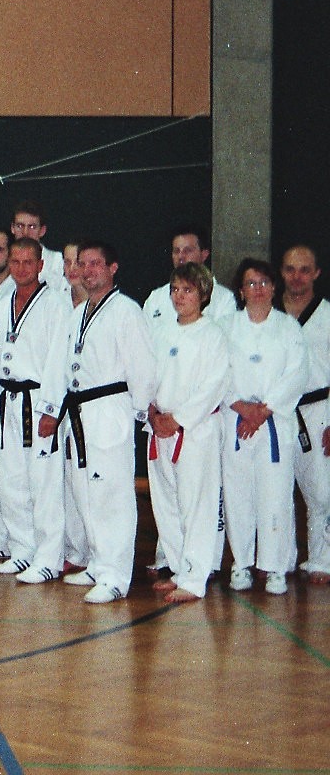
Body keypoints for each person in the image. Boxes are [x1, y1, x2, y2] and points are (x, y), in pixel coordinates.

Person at [36, 240, 156, 604]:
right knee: (84, 493)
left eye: (95, 264)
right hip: (79, 412)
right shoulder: (78, 314)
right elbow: (61, 365)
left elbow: (143, 368)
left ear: (112, 268)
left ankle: (115, 576)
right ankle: (96, 562)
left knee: (110, 496)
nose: (87, 271)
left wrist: (142, 413)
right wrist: (51, 410)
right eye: (82, 264)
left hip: (109, 410)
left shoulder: (126, 311)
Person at [0, 237, 72, 584]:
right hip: (7, 399)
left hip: (38, 400)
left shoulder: (56, 304)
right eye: (15, 262)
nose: (20, 268)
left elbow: (59, 361)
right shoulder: (3, 303)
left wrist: (52, 410)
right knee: (10, 480)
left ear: (40, 265)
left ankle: (49, 558)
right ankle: (22, 550)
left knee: (44, 483)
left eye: (27, 262)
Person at [220, 258, 308, 595]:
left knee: (276, 495)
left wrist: (265, 409)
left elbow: (297, 373)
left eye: (263, 283)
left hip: (275, 422)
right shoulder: (226, 327)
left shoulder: (288, 328)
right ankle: (241, 563)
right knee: (238, 494)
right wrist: (240, 405)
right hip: (236, 422)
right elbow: (217, 371)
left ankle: (274, 567)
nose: (257, 289)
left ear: (273, 288)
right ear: (241, 291)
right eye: (250, 283)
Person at [146, 263, 230, 602]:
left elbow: (214, 385)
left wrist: (178, 419)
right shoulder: (161, 331)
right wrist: (152, 411)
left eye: (188, 290)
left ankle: (195, 579)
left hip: (194, 431)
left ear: (203, 295)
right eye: (175, 290)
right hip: (159, 428)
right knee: (166, 502)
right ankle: (179, 568)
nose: (179, 296)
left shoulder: (213, 335)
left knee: (197, 504)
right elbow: (147, 375)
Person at [280, 244, 330, 582]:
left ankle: (322, 559)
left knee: (321, 491)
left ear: (316, 273)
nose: (297, 276)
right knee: (276, 490)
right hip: (278, 412)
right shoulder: (270, 313)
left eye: (304, 270)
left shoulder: (327, 315)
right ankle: (280, 560)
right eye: (290, 269)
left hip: (318, 410)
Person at [142, 225, 237, 327]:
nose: (181, 256)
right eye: (176, 251)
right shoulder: (156, 298)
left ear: (204, 255)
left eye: (187, 251)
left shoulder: (224, 299)